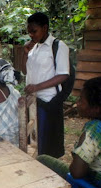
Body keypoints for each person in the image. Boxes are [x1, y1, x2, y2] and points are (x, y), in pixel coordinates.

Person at [37, 76, 101, 188]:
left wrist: (80, 145)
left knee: (41, 160)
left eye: (81, 100)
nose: (77, 103)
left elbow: (76, 172)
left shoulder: (96, 130)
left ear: (96, 109)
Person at [21, 12, 70, 158]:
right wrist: (25, 54)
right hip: (34, 101)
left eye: (34, 31)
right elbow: (24, 71)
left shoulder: (58, 46)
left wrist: (37, 87)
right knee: (35, 141)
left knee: (49, 144)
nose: (31, 35)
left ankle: (49, 169)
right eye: (29, 31)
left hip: (49, 101)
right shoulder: (34, 48)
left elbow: (63, 75)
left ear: (45, 27)